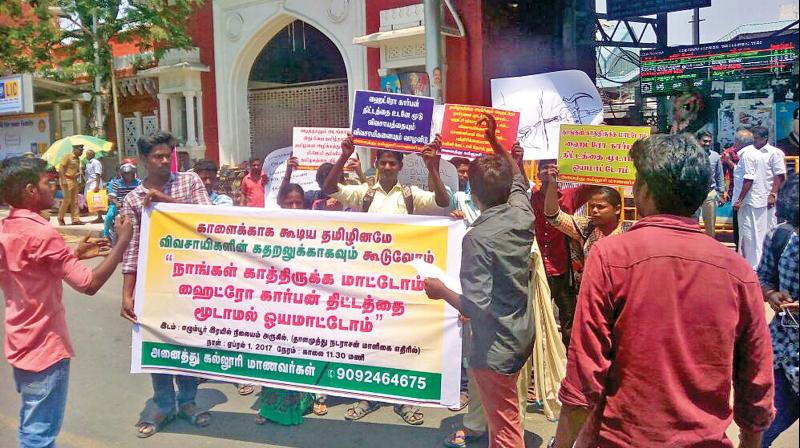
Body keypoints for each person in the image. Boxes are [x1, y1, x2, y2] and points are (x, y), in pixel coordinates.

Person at [550, 134, 775, 448]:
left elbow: (585, 371)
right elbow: (756, 379)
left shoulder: (610, 257)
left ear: (644, 190)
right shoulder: (737, 270)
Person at [0, 156, 133, 448]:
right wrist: (123, 241)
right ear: (30, 190)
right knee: (38, 435)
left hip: (19, 343)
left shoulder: (8, 228)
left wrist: (72, 254)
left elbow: (28, 266)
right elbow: (88, 284)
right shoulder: (43, 233)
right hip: (45, 349)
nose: (55, 187)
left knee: (31, 422)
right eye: (48, 182)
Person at [423, 112, 534, 448]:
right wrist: (494, 142)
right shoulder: (522, 212)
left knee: (503, 427)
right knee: (505, 414)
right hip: (520, 332)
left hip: (495, 344)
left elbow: (474, 306)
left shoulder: (478, 237)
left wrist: (440, 290)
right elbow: (519, 180)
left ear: (473, 192)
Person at [324, 136, 447, 426]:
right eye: (383, 162)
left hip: (402, 282)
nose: (388, 166)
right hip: (370, 280)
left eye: (393, 162)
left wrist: (433, 167)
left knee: (402, 339)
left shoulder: (411, 195)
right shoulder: (364, 194)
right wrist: (343, 157)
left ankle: (403, 400)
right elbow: (329, 188)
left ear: (401, 166)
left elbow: (443, 202)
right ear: (377, 166)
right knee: (370, 338)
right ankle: (368, 396)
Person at [119, 131, 213, 438]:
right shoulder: (133, 198)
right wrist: (127, 294)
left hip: (190, 279)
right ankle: (162, 404)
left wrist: (165, 202)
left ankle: (187, 401)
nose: (163, 161)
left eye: (167, 155)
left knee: (187, 343)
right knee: (155, 344)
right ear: (144, 160)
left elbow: (207, 222)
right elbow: (131, 248)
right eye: (157, 156)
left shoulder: (189, 182)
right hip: (153, 282)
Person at [529, 161, 592, 351]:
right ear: (538, 175)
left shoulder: (571, 196)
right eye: (545, 168)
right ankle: (538, 367)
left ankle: (570, 364)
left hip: (564, 270)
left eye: (553, 167)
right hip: (537, 270)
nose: (549, 171)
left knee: (569, 324)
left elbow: (594, 184)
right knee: (534, 320)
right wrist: (517, 159)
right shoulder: (529, 197)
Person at [757, 174, 799, 447]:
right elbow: (762, 278)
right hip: (784, 354)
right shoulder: (781, 236)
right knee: (760, 433)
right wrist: (772, 294)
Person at [542, 168, 628, 274]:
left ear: (617, 209)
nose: (595, 211)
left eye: (601, 207)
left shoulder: (630, 231)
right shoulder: (586, 226)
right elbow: (554, 217)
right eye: (592, 206)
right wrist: (552, 183)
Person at [733, 126, 787, 269]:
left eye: (756, 138)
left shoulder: (774, 153)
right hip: (752, 200)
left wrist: (773, 194)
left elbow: (779, 176)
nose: (754, 141)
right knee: (750, 236)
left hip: (764, 200)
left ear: (765, 138)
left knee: (763, 235)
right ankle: (753, 266)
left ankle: (759, 268)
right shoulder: (751, 153)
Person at [725, 129, 755, 251]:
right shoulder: (748, 154)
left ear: (738, 142)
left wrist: (739, 200)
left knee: (742, 232)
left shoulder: (746, 155)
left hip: (743, 201)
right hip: (745, 200)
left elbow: (748, 178)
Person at [695, 130, 725, 237]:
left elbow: (719, 175)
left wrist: (721, 193)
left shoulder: (715, 156)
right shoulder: (691, 155)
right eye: (704, 141)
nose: (707, 144)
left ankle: (710, 246)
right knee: (693, 223)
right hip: (694, 193)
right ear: (698, 141)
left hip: (709, 193)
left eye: (709, 141)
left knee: (710, 224)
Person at [104, 162, 141, 240]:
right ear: (122, 174)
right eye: (126, 174)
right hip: (120, 205)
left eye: (129, 174)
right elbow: (112, 196)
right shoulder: (116, 183)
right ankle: (106, 234)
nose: (128, 176)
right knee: (109, 216)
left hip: (135, 205)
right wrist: (117, 203)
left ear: (133, 173)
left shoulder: (139, 183)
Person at [57, 144, 84, 226]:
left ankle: (75, 219)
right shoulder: (67, 157)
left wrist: (79, 172)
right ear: (75, 149)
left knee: (75, 200)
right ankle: (60, 217)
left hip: (74, 180)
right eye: (80, 150)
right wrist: (63, 179)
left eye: (82, 151)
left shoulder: (78, 159)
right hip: (67, 179)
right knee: (67, 200)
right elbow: (61, 169)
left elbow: (75, 170)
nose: (81, 152)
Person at [84, 149, 105, 223]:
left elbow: (98, 174)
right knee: (90, 199)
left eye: (87, 154)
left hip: (95, 182)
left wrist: (97, 185)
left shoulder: (96, 162)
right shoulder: (88, 163)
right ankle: (98, 216)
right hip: (89, 183)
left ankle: (100, 217)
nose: (86, 155)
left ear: (91, 155)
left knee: (97, 200)